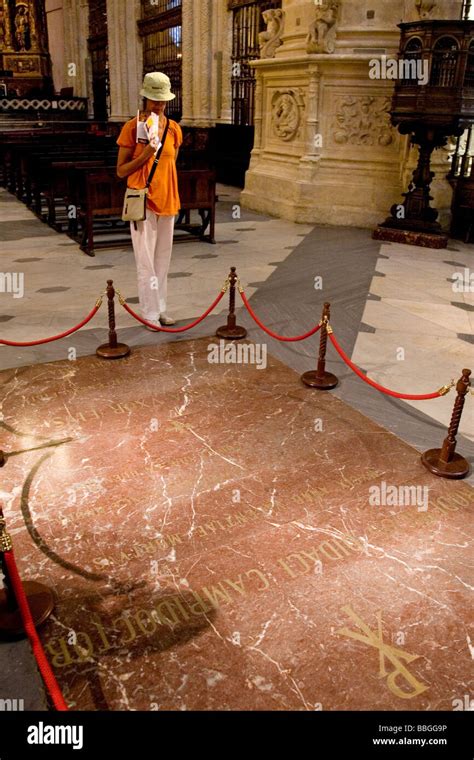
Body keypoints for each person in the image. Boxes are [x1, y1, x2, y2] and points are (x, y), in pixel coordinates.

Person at [116, 72, 183, 328]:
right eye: (154, 100)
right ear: (145, 98)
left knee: (162, 261)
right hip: (142, 201)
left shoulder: (174, 129)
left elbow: (170, 165)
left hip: (167, 200)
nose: (158, 105)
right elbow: (121, 171)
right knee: (146, 263)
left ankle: (161, 308)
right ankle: (149, 314)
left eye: (163, 101)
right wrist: (145, 154)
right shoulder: (132, 127)